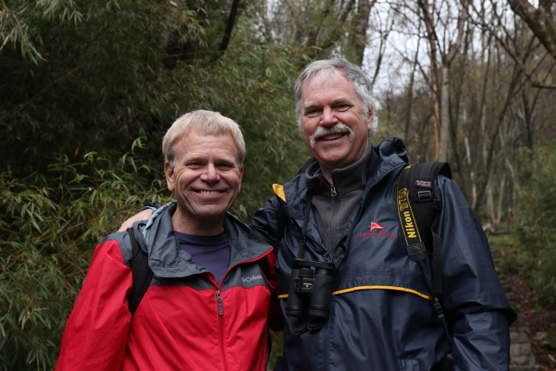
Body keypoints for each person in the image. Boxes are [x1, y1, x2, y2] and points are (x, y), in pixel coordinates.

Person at [122, 58, 517, 370]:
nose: (327, 119)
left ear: (369, 114)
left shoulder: (424, 194)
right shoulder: (283, 209)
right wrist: (157, 216)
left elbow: (479, 311)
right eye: (314, 111)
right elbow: (217, 239)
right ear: (302, 124)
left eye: (341, 106)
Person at [57, 110, 279, 371]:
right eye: (195, 164)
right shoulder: (127, 256)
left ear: (239, 174)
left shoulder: (261, 258)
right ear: (170, 174)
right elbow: (84, 363)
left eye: (223, 164)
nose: (210, 175)